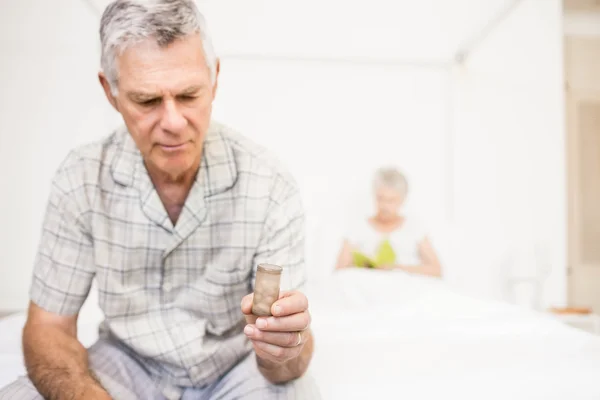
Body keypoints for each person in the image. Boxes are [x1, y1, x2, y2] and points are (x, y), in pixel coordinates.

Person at [0, 1, 319, 399]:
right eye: (147, 101)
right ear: (111, 92)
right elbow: (49, 326)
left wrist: (284, 348)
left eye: (188, 95)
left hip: (237, 368)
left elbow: (287, 365)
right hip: (126, 364)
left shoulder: (269, 182)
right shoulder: (80, 178)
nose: (172, 122)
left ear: (214, 79)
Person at [334, 167, 442, 277]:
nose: (384, 206)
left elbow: (436, 270)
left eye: (391, 200)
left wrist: (396, 268)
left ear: (403, 199)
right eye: (380, 198)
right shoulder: (358, 227)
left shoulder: (414, 227)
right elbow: (339, 270)